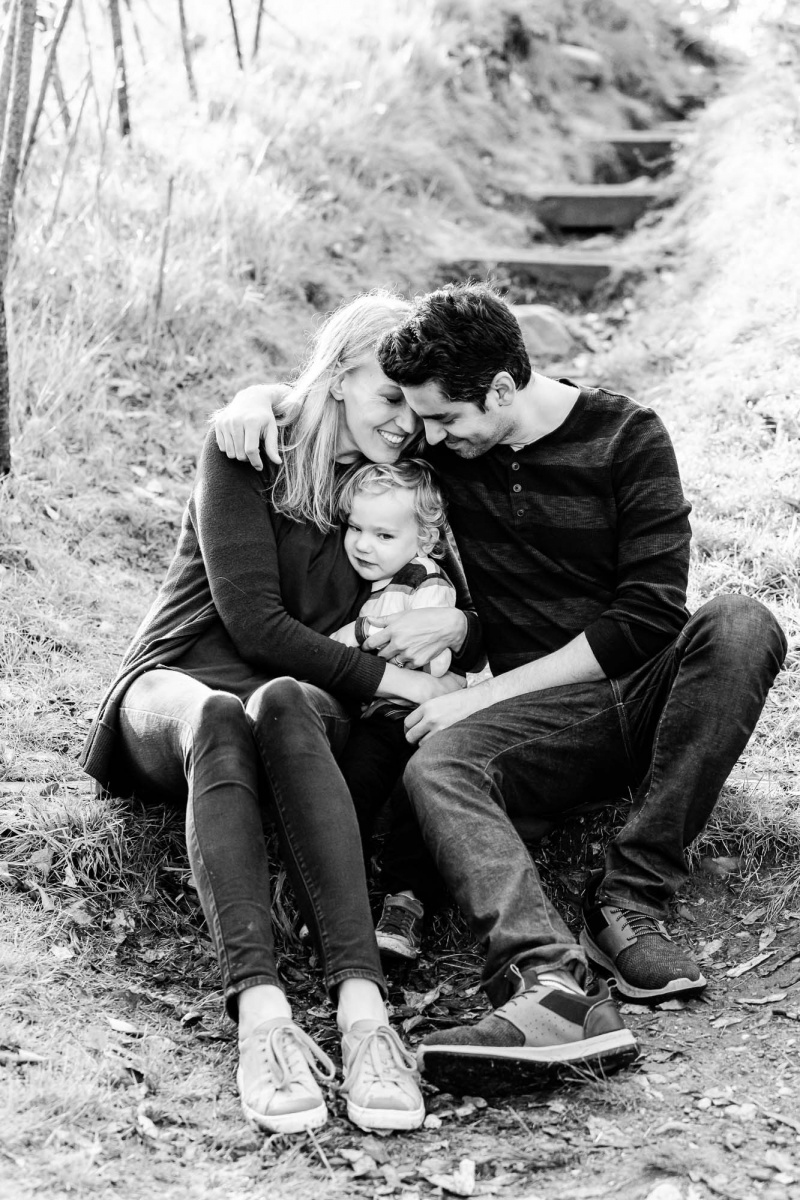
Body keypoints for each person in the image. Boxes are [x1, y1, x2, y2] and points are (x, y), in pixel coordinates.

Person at [213, 281, 787, 1093]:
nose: (427, 436)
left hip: (638, 692)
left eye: (444, 419)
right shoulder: (451, 444)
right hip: (530, 725)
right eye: (421, 420)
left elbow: (650, 617)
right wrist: (255, 398)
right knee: (435, 761)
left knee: (740, 622)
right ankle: (549, 985)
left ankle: (629, 898)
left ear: (504, 389)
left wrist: (474, 694)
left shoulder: (628, 436)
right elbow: (332, 399)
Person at [80, 291, 483, 1133]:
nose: (405, 422)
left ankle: (362, 1014)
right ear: (336, 377)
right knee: (227, 712)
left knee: (284, 700)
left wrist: (462, 623)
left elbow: (459, 593)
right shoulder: (246, 452)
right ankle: (262, 1021)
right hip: (178, 689)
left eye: (415, 407)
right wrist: (408, 685)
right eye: (386, 397)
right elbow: (255, 624)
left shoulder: (395, 486)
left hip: (297, 709)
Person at [332, 458, 461, 961]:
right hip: (383, 716)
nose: (363, 544)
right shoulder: (381, 580)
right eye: (356, 528)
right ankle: (340, 899)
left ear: (424, 540)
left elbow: (429, 655)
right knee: (352, 785)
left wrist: (356, 636)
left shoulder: (429, 582)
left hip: (422, 719)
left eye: (383, 535)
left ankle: (406, 904)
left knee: (416, 799)